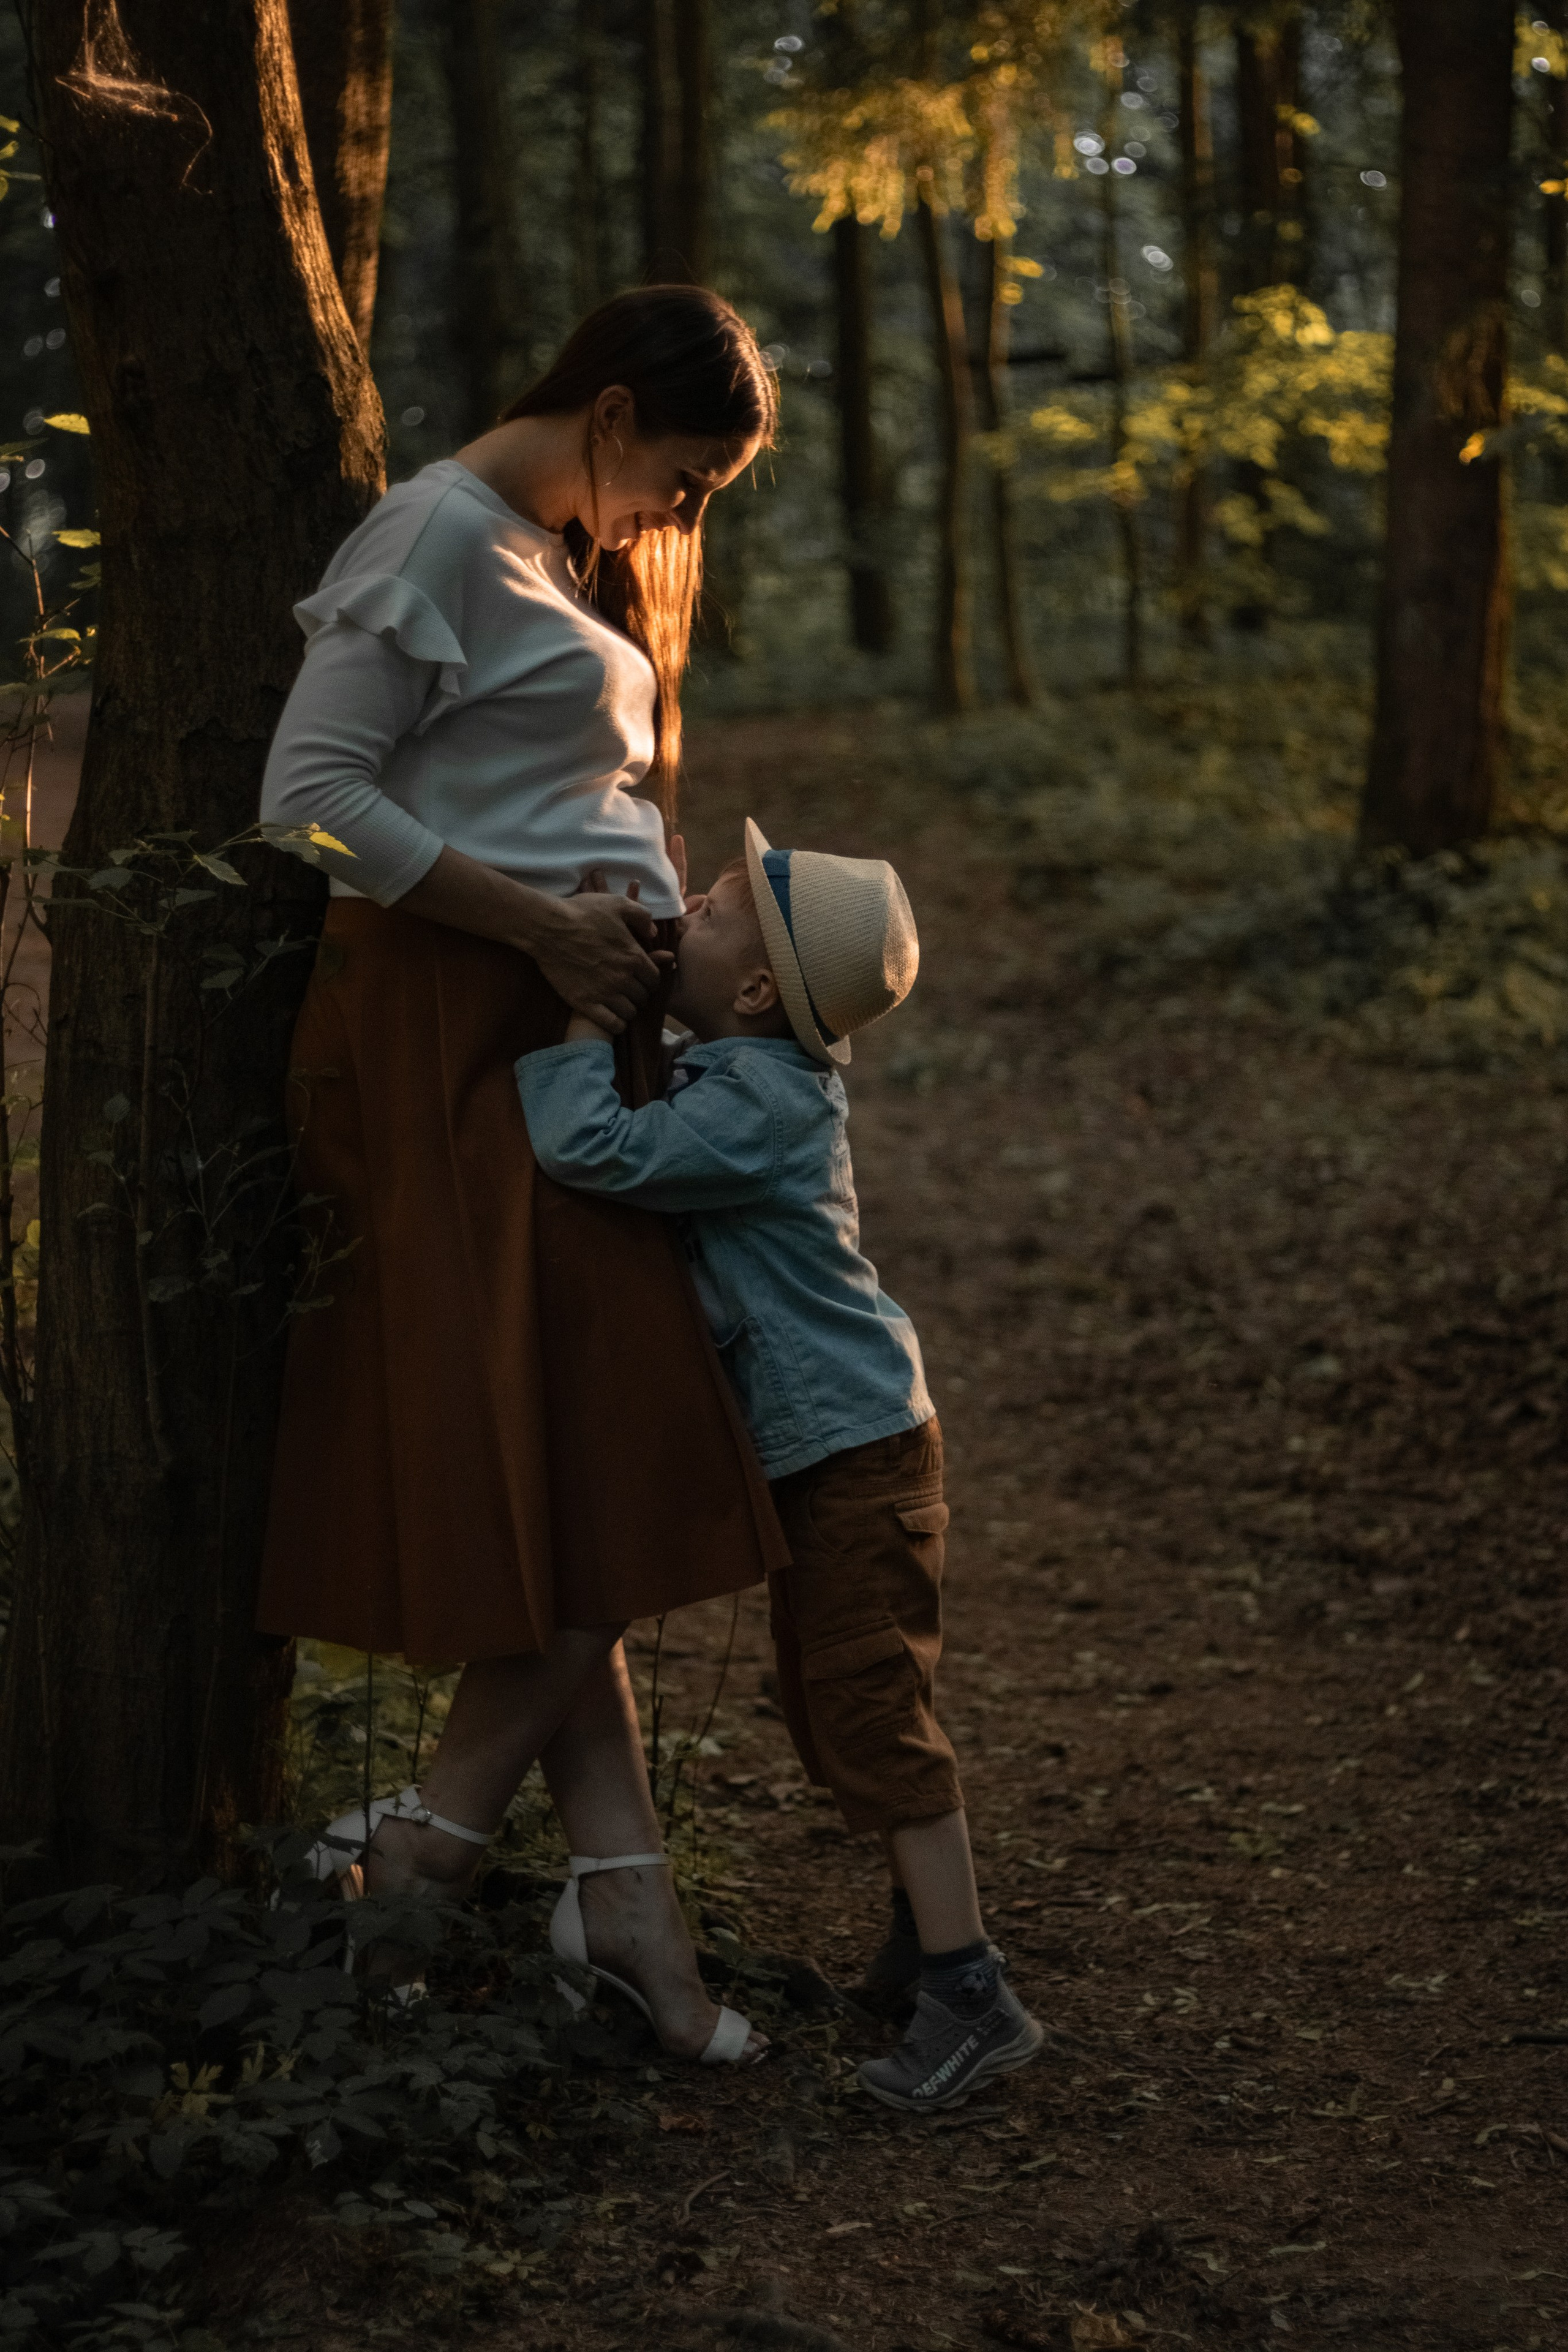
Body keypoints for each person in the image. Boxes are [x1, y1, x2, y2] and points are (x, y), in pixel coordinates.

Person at [255, 287, 788, 2065]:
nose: (679, 516)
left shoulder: (545, 559)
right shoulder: (433, 534)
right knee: (634, 1443)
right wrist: (549, 942)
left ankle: (618, 1893)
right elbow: (310, 799)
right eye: (690, 477)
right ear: (616, 408)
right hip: (459, 1038)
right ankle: (435, 1854)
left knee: (584, 1468)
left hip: (556, 1039)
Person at [515, 822, 1044, 2113]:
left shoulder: (758, 1104)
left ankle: (973, 1996)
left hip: (854, 1448)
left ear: (753, 993)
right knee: (828, 1711)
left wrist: (583, 1025)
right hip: (835, 1447)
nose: (680, 909)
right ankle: (921, 1941)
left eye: (705, 911)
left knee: (872, 1717)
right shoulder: (739, 1069)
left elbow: (597, 1150)